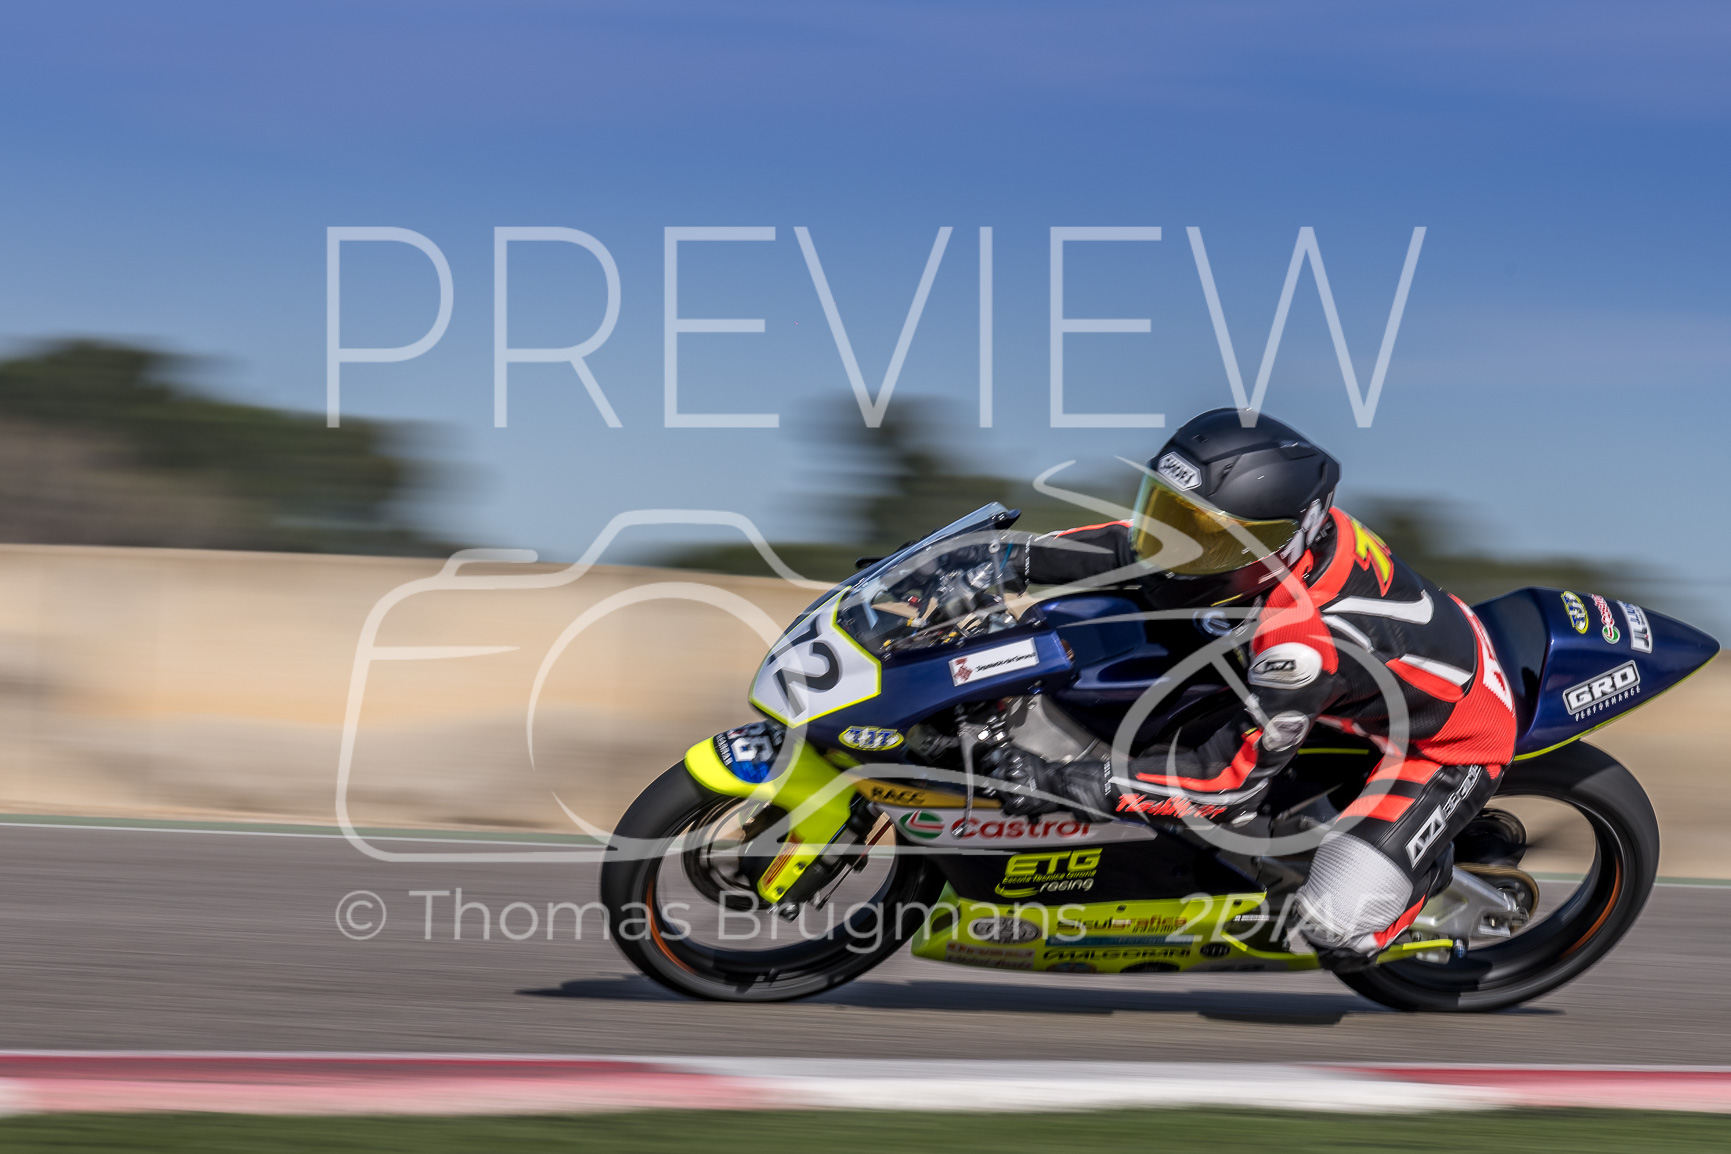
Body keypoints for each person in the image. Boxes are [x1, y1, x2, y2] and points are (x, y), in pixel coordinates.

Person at [999, 408, 1516, 972]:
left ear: (1283, 542)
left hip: (1451, 743)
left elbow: (1226, 786)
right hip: (1384, 665)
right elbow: (1140, 550)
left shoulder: (1299, 643)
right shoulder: (1282, 536)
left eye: (1209, 538)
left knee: (1332, 930)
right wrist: (1010, 558)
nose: (1176, 545)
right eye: (1168, 512)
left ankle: (1422, 874)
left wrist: (1067, 781)